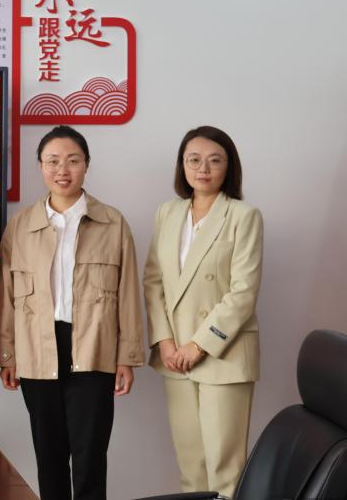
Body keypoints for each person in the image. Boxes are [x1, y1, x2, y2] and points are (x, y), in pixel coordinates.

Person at [0, 125, 143, 500]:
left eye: (73, 160)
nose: (63, 170)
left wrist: (126, 356)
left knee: (90, 455)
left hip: (93, 347)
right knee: (49, 455)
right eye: (53, 161)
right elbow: (6, 296)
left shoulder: (112, 223)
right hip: (37, 348)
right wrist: (7, 354)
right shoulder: (20, 226)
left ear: (86, 165)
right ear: (40, 166)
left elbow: (128, 293)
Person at [143, 126, 262, 497]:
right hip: (174, 357)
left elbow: (244, 292)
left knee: (225, 470)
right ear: (182, 165)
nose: (203, 169)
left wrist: (199, 345)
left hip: (222, 355)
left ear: (229, 166)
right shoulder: (167, 213)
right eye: (193, 160)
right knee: (190, 467)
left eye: (215, 160)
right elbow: (153, 281)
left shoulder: (243, 216)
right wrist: (165, 341)